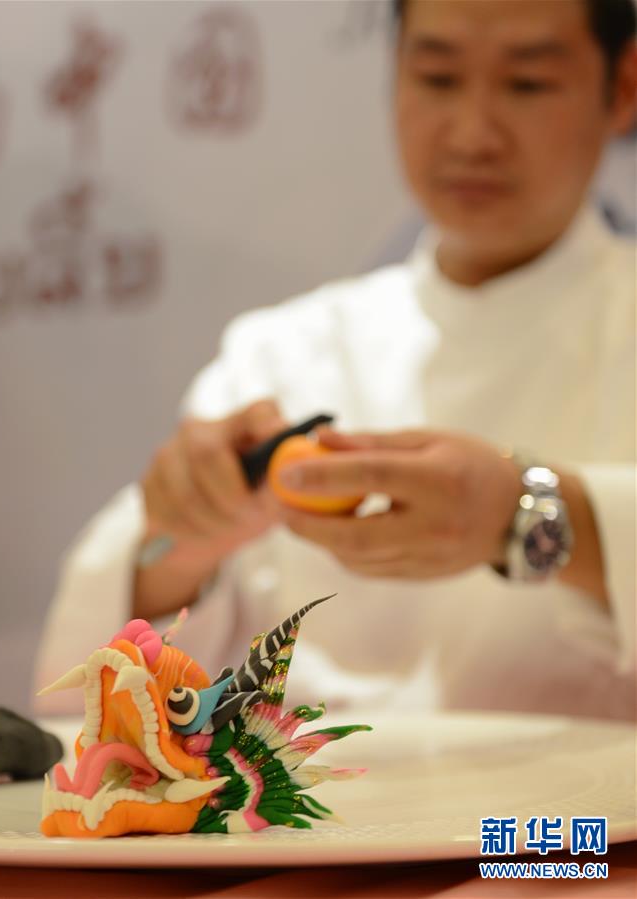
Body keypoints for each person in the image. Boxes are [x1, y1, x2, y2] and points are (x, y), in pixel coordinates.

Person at [35, 0, 636, 721]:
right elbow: (105, 690)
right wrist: (183, 540)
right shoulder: (284, 352)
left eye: (527, 84)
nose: (472, 134)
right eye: (438, 78)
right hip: (314, 793)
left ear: (621, 88)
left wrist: (531, 515)